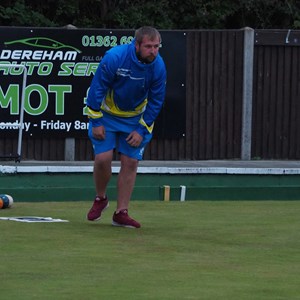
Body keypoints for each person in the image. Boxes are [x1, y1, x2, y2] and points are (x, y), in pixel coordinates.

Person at [86, 26, 167, 228]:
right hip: (107, 115)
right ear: (136, 44)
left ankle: (121, 213)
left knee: (130, 162)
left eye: (156, 46)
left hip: (135, 120)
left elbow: (156, 101)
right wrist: (96, 121)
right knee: (103, 159)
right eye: (148, 46)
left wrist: (141, 130)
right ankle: (101, 198)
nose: (153, 51)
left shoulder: (158, 66)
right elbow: (97, 88)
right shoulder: (115, 57)